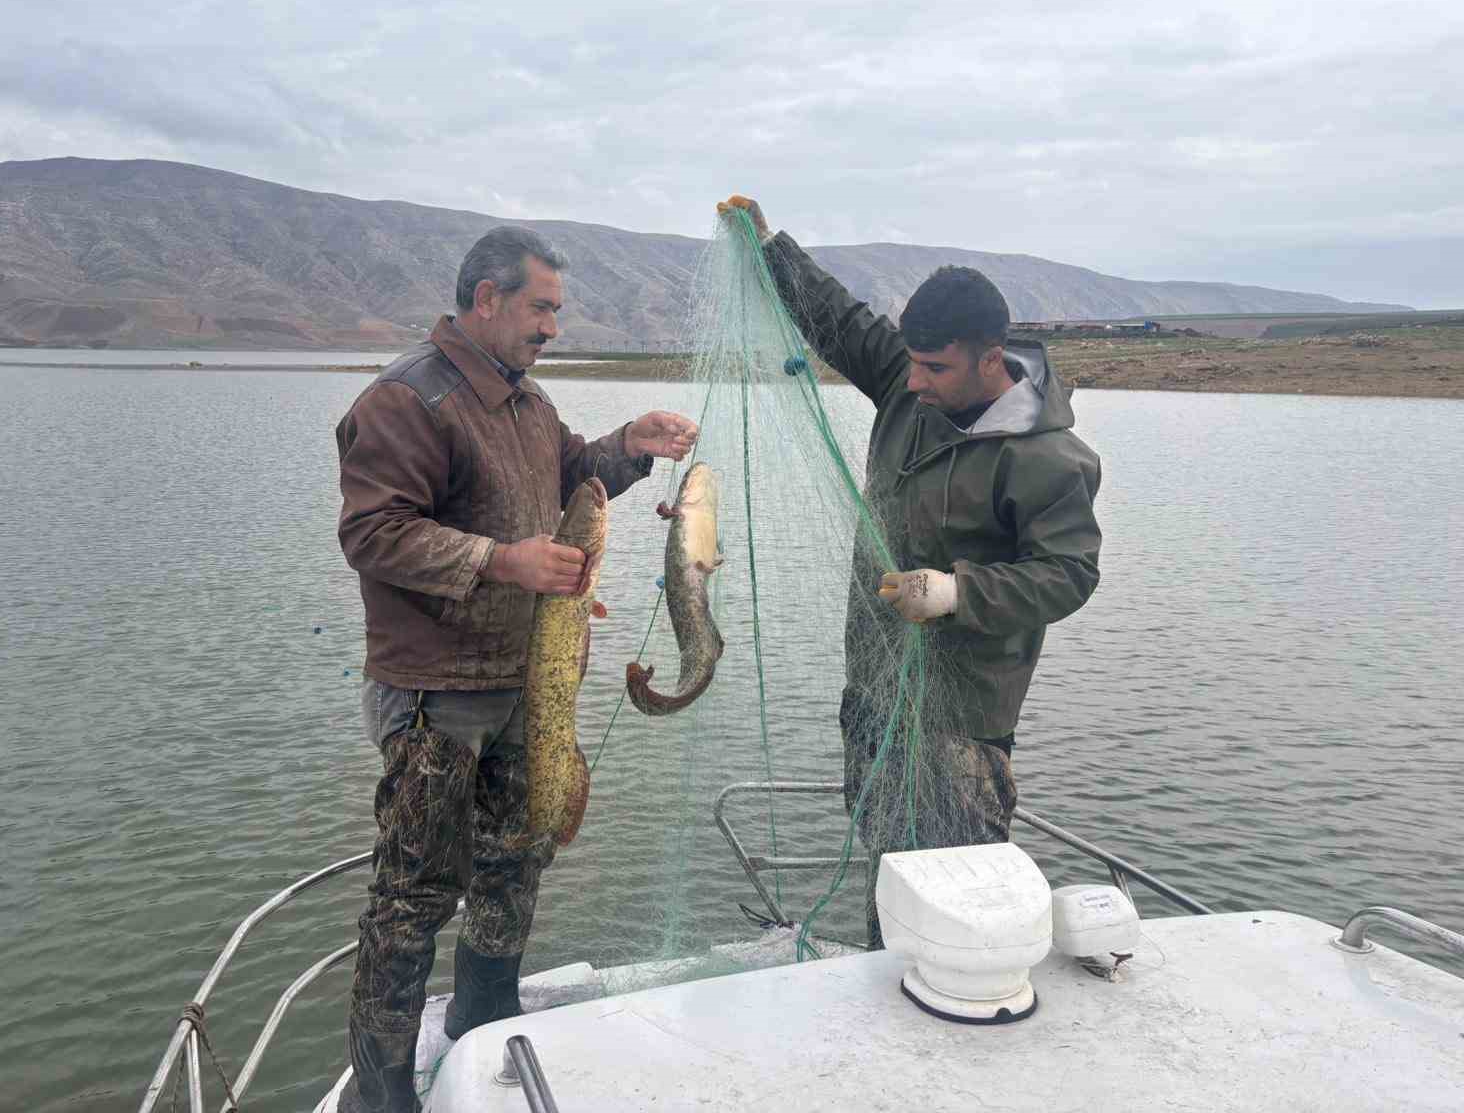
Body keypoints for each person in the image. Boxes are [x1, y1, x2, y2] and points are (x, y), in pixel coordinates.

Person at [334, 225, 698, 1112]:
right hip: (437, 696)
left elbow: (573, 473)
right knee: (415, 896)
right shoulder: (406, 401)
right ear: (486, 299)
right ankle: (380, 1099)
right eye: (540, 308)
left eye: (557, 312)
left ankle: (483, 1030)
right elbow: (372, 533)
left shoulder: (525, 403)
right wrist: (506, 562)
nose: (551, 327)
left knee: (515, 864)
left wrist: (631, 442)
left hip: (524, 686)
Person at [719, 195, 1102, 948]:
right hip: (874, 691)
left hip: (962, 723)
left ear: (991, 361)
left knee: (955, 890)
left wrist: (958, 592)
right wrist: (771, 252)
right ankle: (885, 990)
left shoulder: (1051, 460)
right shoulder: (910, 385)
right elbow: (841, 321)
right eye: (912, 362)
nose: (914, 382)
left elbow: (1068, 574)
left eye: (934, 367)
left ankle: (952, 1021)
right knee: (886, 866)